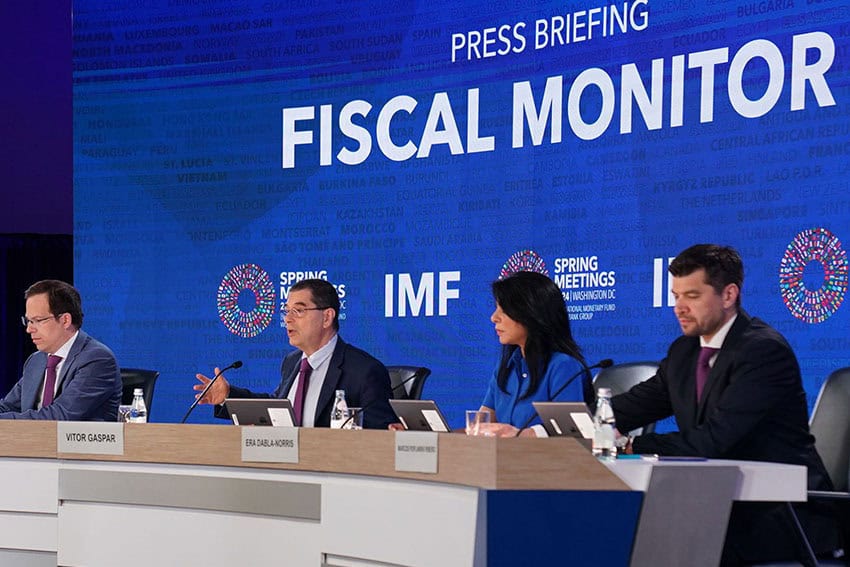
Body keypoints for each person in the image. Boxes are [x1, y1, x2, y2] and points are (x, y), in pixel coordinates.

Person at [611, 244, 839, 564]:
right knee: (629, 535)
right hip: (718, 505)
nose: (679, 307)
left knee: (662, 543)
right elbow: (635, 404)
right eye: (676, 296)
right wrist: (562, 427)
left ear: (729, 295)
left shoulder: (763, 351)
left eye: (692, 296)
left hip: (780, 513)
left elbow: (715, 440)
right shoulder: (684, 352)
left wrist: (630, 445)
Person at [194, 278, 395, 429]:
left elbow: (382, 437)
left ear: (327, 317)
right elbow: (278, 409)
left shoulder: (364, 371)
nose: (287, 319)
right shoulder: (292, 362)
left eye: (298, 311)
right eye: (286, 311)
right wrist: (228, 397)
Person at [477, 271, 590, 437]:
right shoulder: (506, 366)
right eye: (496, 308)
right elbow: (483, 422)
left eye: (504, 310)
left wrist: (522, 435)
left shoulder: (563, 366)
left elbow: (571, 433)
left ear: (531, 313)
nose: (494, 317)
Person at [1, 279, 121, 420]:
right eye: (28, 321)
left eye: (38, 320)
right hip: (34, 440)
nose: (29, 329)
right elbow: (8, 406)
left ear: (65, 320)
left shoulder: (97, 359)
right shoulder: (36, 360)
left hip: (76, 441)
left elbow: (60, 417)